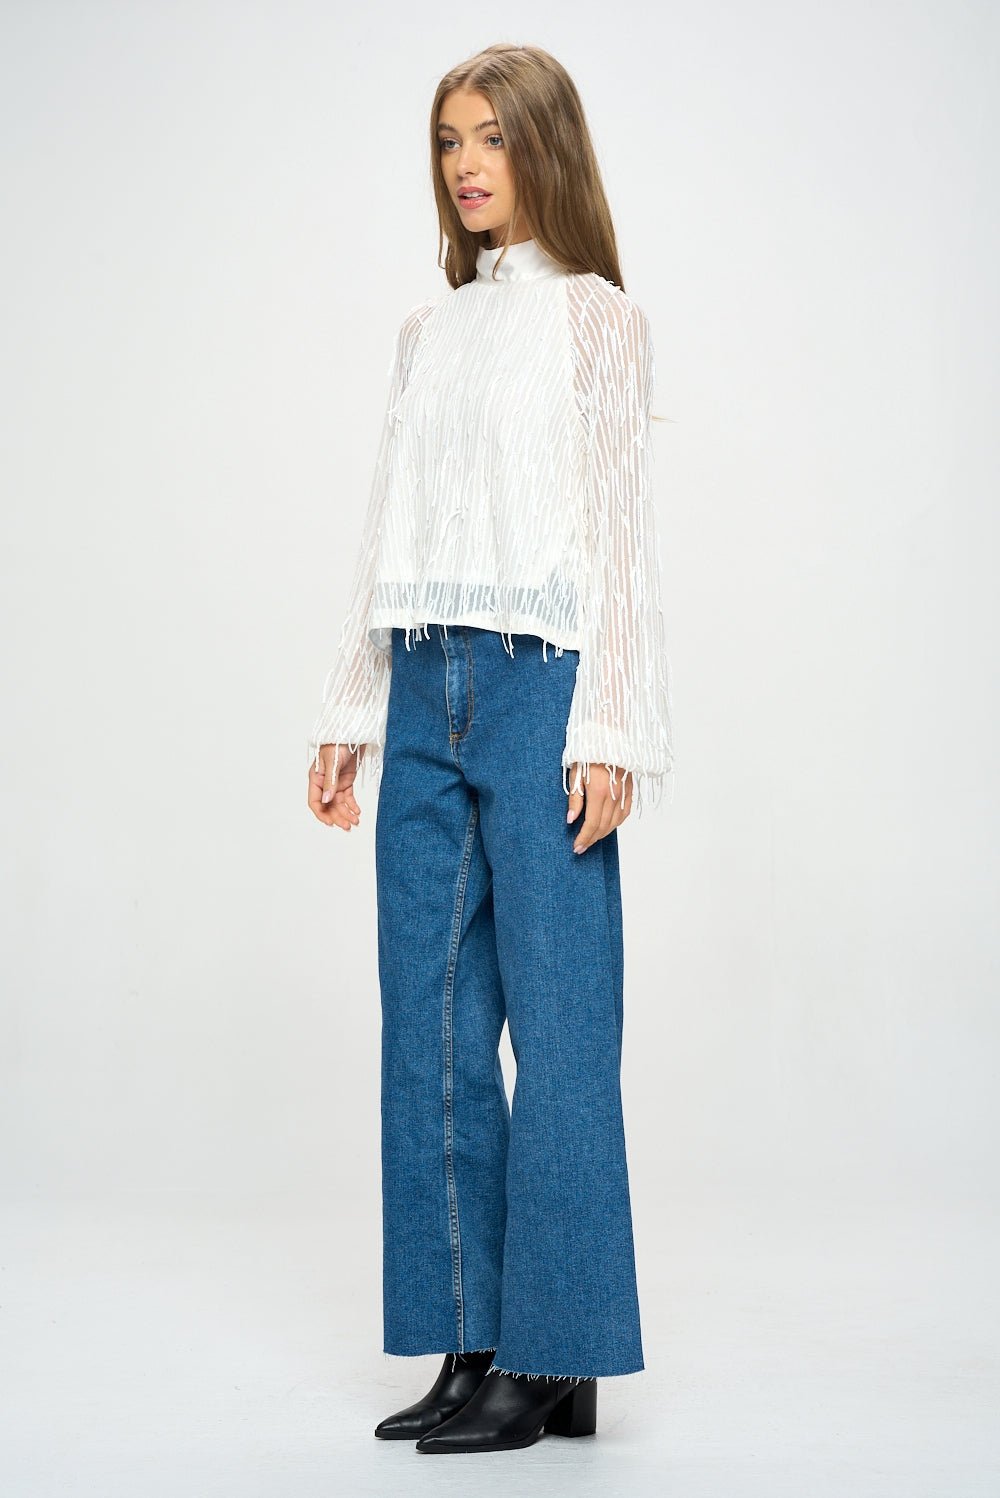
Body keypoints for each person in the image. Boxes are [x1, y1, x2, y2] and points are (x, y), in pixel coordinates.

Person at [306, 42, 675, 1455]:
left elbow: (623, 536)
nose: (466, 165)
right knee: (433, 1023)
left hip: (542, 688)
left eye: (492, 138)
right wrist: (350, 706)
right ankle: (474, 1342)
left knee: (563, 1026)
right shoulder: (429, 330)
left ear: (544, 150)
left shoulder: (599, 321)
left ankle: (558, 1351)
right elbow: (384, 521)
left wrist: (613, 723)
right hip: (424, 684)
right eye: (450, 141)